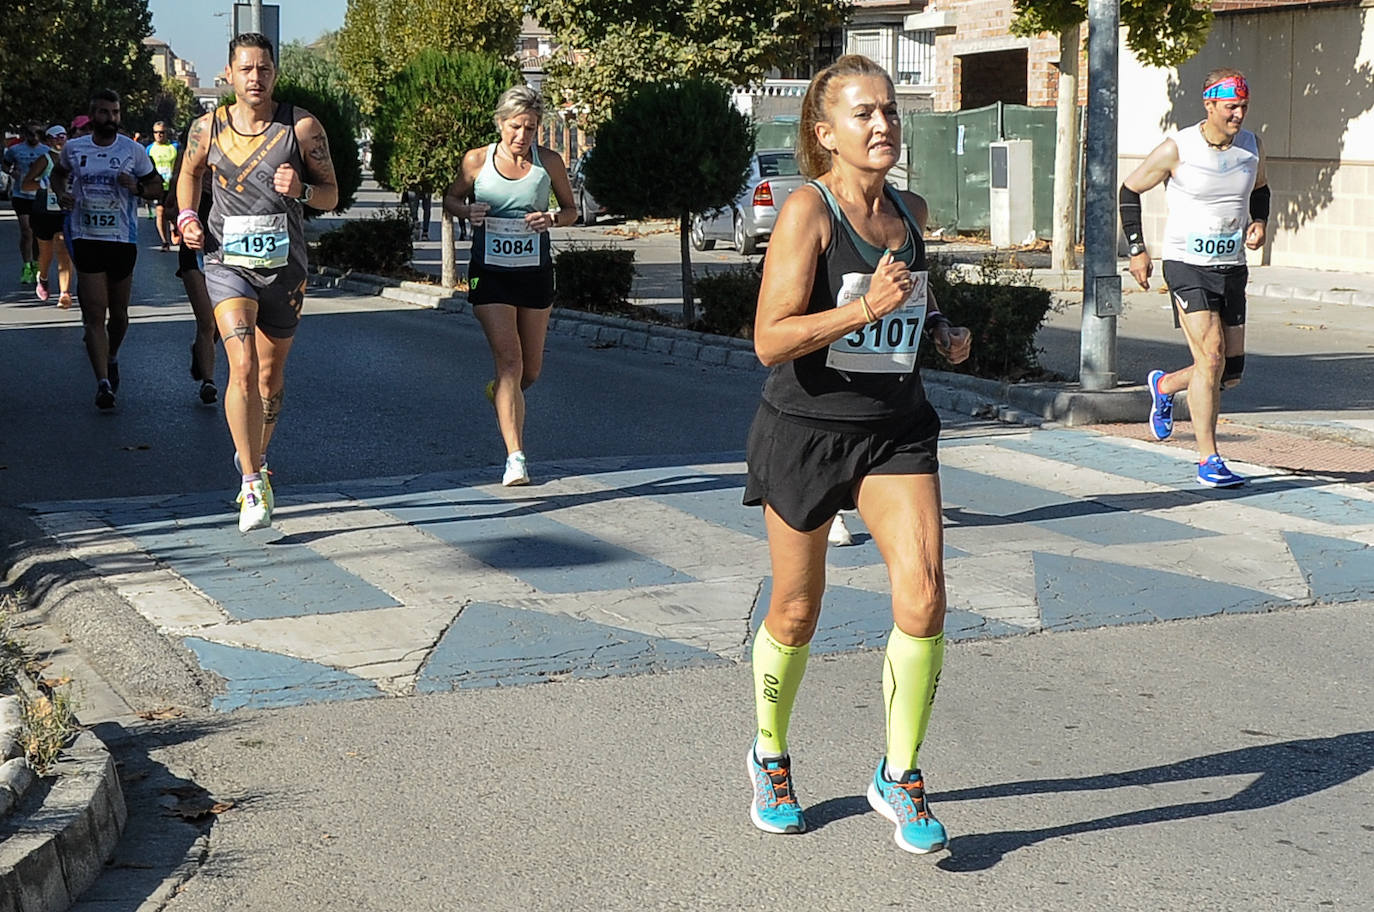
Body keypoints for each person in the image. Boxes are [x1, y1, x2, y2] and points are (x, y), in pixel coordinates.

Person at [741, 55, 972, 855]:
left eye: (891, 112)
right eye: (864, 113)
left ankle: (899, 773)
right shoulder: (808, 211)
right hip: (806, 428)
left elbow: (915, 292)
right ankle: (770, 754)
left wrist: (938, 328)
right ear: (824, 132)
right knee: (797, 612)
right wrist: (861, 309)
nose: (883, 126)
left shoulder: (908, 209)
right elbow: (770, 338)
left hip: (894, 428)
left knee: (926, 594)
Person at [177, 32, 339, 532]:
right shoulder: (208, 128)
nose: (255, 78)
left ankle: (258, 458)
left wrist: (305, 189)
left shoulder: (301, 126)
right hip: (227, 264)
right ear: (229, 74)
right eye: (245, 69)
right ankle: (250, 481)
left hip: (285, 269)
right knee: (241, 365)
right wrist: (187, 215)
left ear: (274, 72)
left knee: (269, 379)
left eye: (263, 69)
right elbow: (190, 173)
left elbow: (332, 195)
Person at [1120, 68, 1268, 489]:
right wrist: (1137, 249)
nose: (1238, 114)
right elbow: (1129, 191)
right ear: (1209, 105)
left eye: (1243, 106)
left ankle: (1164, 385)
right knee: (1212, 355)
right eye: (1230, 107)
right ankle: (1209, 459)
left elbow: (1261, 187)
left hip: (1231, 265)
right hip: (1187, 265)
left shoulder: (1253, 146)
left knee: (1229, 370)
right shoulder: (1177, 148)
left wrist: (1259, 221)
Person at [441, 86, 576, 487]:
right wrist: (467, 211)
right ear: (500, 123)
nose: (521, 136)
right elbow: (450, 198)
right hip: (491, 272)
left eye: (530, 129)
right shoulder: (477, 160)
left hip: (534, 271)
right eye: (515, 127)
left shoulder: (547, 162)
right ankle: (515, 458)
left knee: (528, 372)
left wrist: (551, 219)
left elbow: (570, 211)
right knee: (510, 362)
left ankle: (500, 392)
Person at [50, 90, 163, 410]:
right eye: (103, 113)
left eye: (115, 113)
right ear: (92, 115)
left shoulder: (133, 150)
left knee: (120, 315)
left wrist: (138, 188)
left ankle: (112, 356)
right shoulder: (74, 148)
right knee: (94, 313)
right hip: (86, 236)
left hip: (121, 239)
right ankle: (102, 383)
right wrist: (62, 195)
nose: (110, 118)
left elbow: (157, 187)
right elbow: (58, 176)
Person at [167, 122, 218, 405]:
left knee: (223, 324)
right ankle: (208, 382)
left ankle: (201, 351)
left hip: (226, 253)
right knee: (207, 321)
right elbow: (172, 208)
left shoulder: (228, 170)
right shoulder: (185, 174)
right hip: (194, 254)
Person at [20, 125, 74, 308]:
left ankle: (64, 293)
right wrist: (43, 184)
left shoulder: (72, 158)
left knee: (63, 249)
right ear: (49, 140)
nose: (60, 140)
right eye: (56, 137)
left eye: (63, 136)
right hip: (44, 212)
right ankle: (42, 277)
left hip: (65, 211)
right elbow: (25, 185)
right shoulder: (44, 159)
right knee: (46, 253)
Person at [3, 123, 50, 284]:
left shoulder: (45, 151)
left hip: (39, 195)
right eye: (31, 133)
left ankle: (37, 263)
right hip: (21, 194)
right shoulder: (15, 150)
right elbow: (5, 165)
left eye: (37, 134)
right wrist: (12, 172)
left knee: (38, 234)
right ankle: (27, 265)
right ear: (25, 134)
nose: (34, 137)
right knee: (26, 231)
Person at [145, 121, 180, 250]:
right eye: (156, 132)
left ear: (166, 133)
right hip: (158, 186)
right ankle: (164, 242)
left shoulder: (174, 147)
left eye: (162, 132)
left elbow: (179, 165)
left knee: (172, 213)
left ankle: (174, 227)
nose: (159, 135)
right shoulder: (149, 149)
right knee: (160, 213)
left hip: (173, 185)